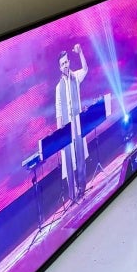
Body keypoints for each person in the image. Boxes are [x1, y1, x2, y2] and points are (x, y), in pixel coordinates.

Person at [55, 44, 89, 202]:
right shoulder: (58, 88)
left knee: (80, 156)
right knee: (69, 159)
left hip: (77, 123)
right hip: (67, 127)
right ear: (59, 67)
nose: (65, 65)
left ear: (69, 62)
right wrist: (60, 135)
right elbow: (58, 111)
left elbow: (86, 69)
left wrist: (80, 53)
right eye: (62, 64)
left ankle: (82, 187)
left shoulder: (76, 77)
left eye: (66, 62)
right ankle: (72, 194)